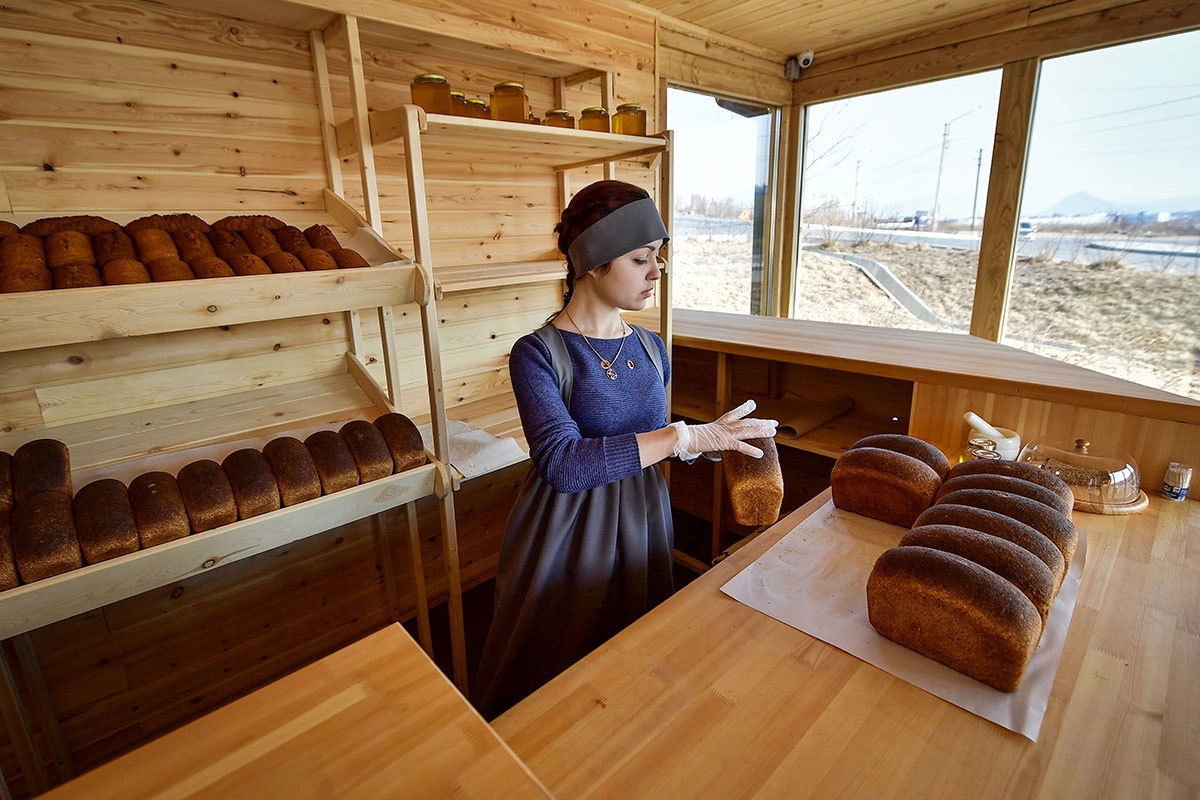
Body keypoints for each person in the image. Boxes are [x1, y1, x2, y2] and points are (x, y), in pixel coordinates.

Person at [470, 180, 777, 719]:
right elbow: (562, 463)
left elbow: (652, 439)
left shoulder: (652, 347)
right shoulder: (538, 354)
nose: (657, 273)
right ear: (592, 261)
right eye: (640, 259)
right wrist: (682, 436)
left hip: (643, 519)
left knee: (633, 665)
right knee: (554, 674)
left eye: (658, 258)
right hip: (567, 533)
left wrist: (712, 440)